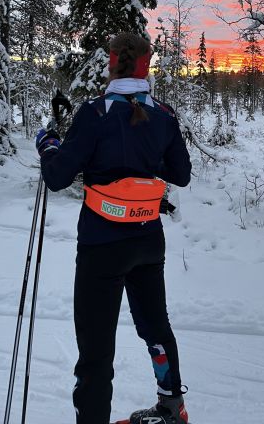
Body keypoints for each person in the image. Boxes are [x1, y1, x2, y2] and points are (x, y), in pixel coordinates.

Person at [36, 33, 192, 424]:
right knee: (156, 327)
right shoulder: (165, 114)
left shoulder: (95, 112)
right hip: (147, 239)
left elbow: (57, 176)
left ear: (111, 63)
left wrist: (48, 144)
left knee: (96, 349)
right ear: (146, 64)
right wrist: (144, 160)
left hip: (101, 244)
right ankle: (171, 407)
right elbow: (181, 174)